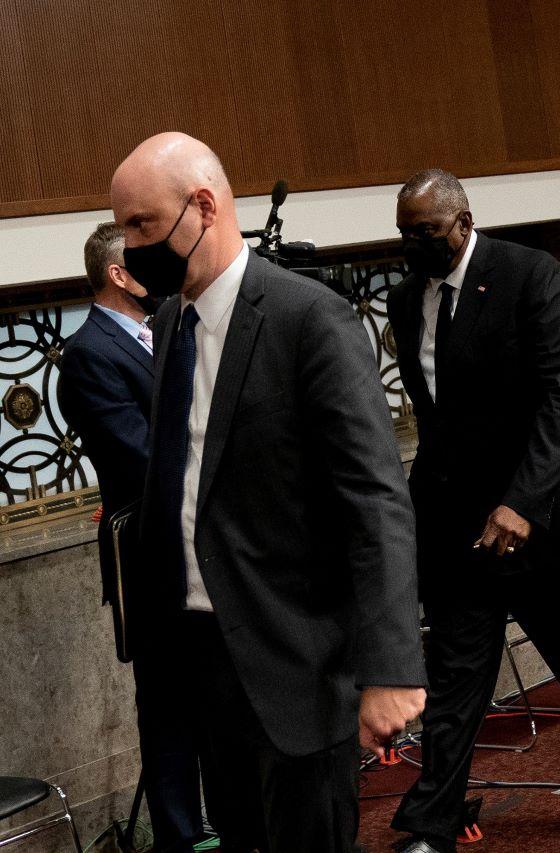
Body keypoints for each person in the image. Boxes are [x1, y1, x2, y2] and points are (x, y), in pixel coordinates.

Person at [111, 132, 426, 853]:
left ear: (203, 206)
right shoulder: (168, 324)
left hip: (298, 661)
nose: (129, 249)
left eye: (142, 226)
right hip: (201, 661)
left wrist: (391, 668)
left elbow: (376, 502)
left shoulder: (307, 319)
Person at [386, 170, 560, 853]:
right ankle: (431, 821)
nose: (414, 244)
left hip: (545, 516)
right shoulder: (404, 298)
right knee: (456, 677)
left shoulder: (530, 275)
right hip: (460, 529)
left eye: (427, 231)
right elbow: (436, 417)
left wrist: (520, 503)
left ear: (463, 222)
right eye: (404, 232)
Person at [58, 223, 207, 852]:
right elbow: (140, 456)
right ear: (118, 274)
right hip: (151, 562)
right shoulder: (89, 353)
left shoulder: (172, 325)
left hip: (205, 551)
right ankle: (181, 838)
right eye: (147, 261)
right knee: (170, 710)